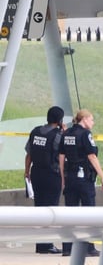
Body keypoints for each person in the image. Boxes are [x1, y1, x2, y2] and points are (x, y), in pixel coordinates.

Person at [59, 109, 103, 257]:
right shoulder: (85, 134)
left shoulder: (66, 133)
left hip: (70, 178)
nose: (93, 123)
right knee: (89, 213)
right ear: (85, 119)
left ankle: (67, 248)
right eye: (91, 119)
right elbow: (92, 156)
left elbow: (61, 157)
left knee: (70, 214)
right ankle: (88, 248)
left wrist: (63, 178)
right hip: (85, 178)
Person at [24, 106, 65, 254]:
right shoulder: (58, 135)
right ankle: (47, 244)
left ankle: (40, 244)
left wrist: (27, 171)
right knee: (50, 210)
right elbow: (61, 156)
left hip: (36, 173)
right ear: (60, 120)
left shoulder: (35, 132)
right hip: (52, 175)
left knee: (39, 208)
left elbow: (29, 154)